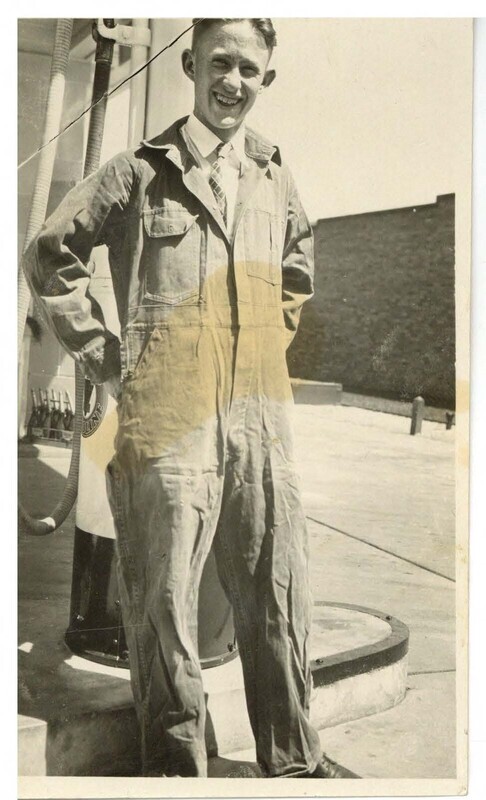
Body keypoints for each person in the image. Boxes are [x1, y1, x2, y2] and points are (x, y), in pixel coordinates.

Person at [22, 17, 359, 780]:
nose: (233, 82)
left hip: (260, 421)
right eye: (220, 63)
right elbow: (50, 253)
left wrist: (270, 342)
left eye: (248, 69)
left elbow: (298, 262)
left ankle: (293, 761)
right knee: (163, 607)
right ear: (190, 64)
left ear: (265, 80)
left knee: (278, 591)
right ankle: (177, 772)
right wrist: (110, 355)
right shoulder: (139, 171)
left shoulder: (273, 169)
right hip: (166, 420)